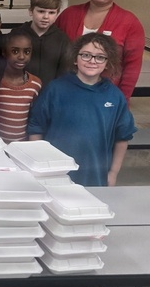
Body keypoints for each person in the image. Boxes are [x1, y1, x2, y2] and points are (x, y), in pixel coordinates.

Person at [29, 33, 137, 187]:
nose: (92, 61)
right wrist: (40, 166)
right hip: (56, 172)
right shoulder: (55, 89)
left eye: (100, 57)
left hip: (95, 174)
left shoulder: (115, 96)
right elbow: (36, 129)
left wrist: (113, 173)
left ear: (107, 63)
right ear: (75, 58)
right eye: (86, 55)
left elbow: (123, 137)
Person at [55, 0, 146, 100]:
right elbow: (55, 50)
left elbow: (132, 66)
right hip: (67, 90)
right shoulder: (69, 14)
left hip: (105, 94)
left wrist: (121, 98)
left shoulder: (130, 22)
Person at [11, 0, 71, 87]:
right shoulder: (16, 35)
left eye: (51, 13)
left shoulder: (62, 39)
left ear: (57, 14)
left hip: (48, 92)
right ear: (31, 11)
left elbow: (64, 71)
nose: (46, 17)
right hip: (19, 91)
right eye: (41, 11)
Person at [0, 31, 42, 143]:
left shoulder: (35, 84)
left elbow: (35, 119)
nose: (21, 57)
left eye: (27, 52)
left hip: (22, 146)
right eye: (15, 51)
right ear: (4, 52)